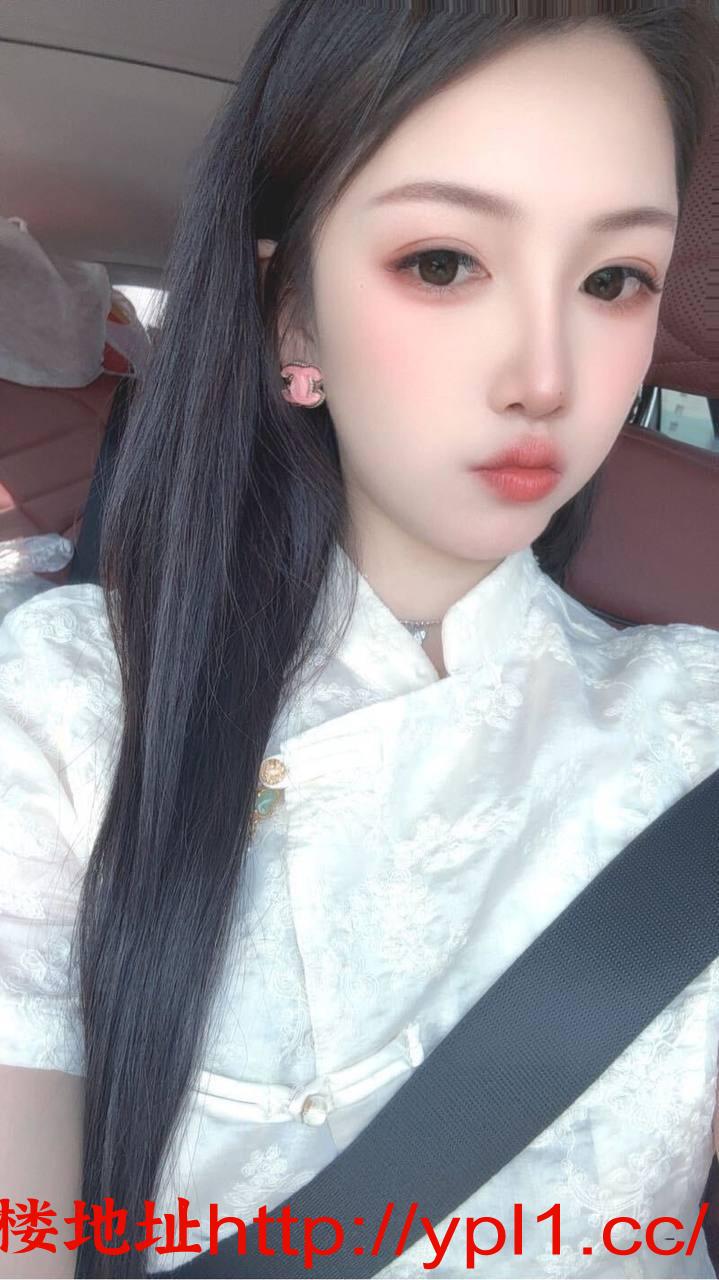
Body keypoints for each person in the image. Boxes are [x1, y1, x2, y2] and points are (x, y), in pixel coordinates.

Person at [1, 3, 719, 1278]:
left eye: (611, 279)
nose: (545, 374)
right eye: (441, 262)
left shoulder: (691, 727)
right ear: (293, 320)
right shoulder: (73, 702)